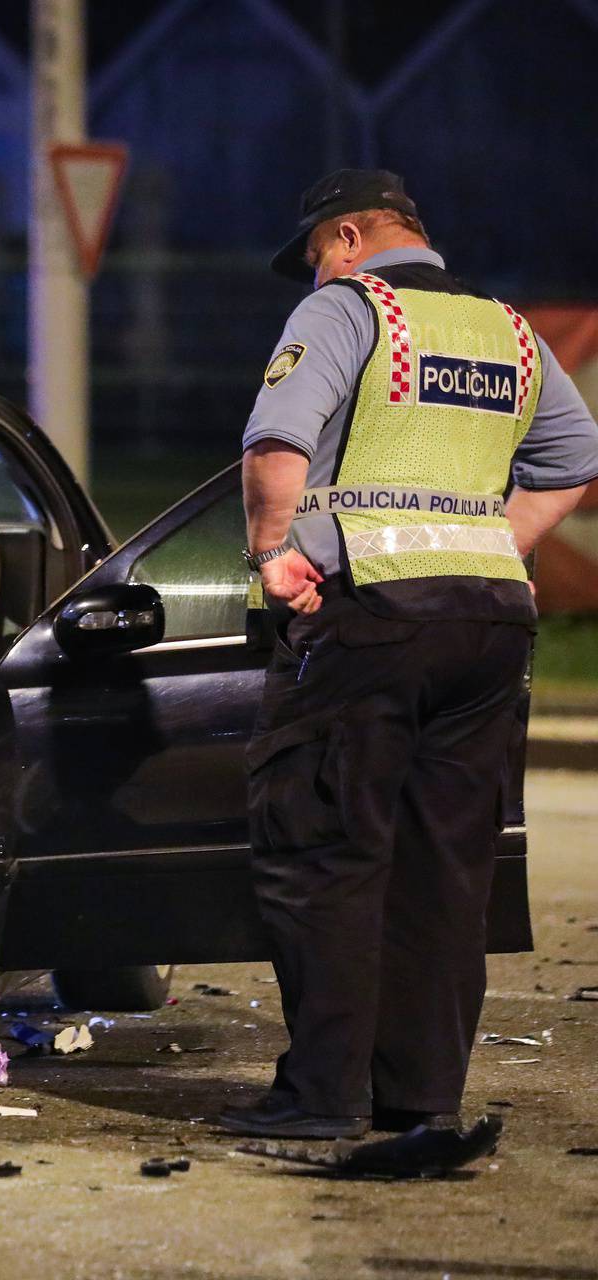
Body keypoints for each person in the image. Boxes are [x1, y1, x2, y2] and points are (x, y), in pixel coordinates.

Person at [221, 169, 598, 1139]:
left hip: (370, 616)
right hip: (489, 623)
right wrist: (487, 540)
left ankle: (321, 1099)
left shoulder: (351, 309)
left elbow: (274, 443)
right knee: (445, 870)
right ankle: (423, 1098)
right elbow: (573, 456)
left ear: (347, 236)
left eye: (314, 257)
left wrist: (276, 559)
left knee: (327, 854)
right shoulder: (507, 330)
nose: (313, 277)